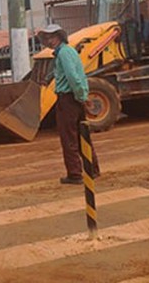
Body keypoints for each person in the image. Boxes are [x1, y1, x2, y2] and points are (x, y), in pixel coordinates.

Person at [38, 24, 100, 185]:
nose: (48, 41)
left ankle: (74, 174)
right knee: (82, 135)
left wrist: (81, 96)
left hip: (68, 99)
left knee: (69, 138)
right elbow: (69, 74)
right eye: (46, 38)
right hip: (75, 98)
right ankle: (92, 169)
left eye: (51, 37)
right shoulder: (66, 52)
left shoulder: (64, 54)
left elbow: (73, 77)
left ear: (59, 37)